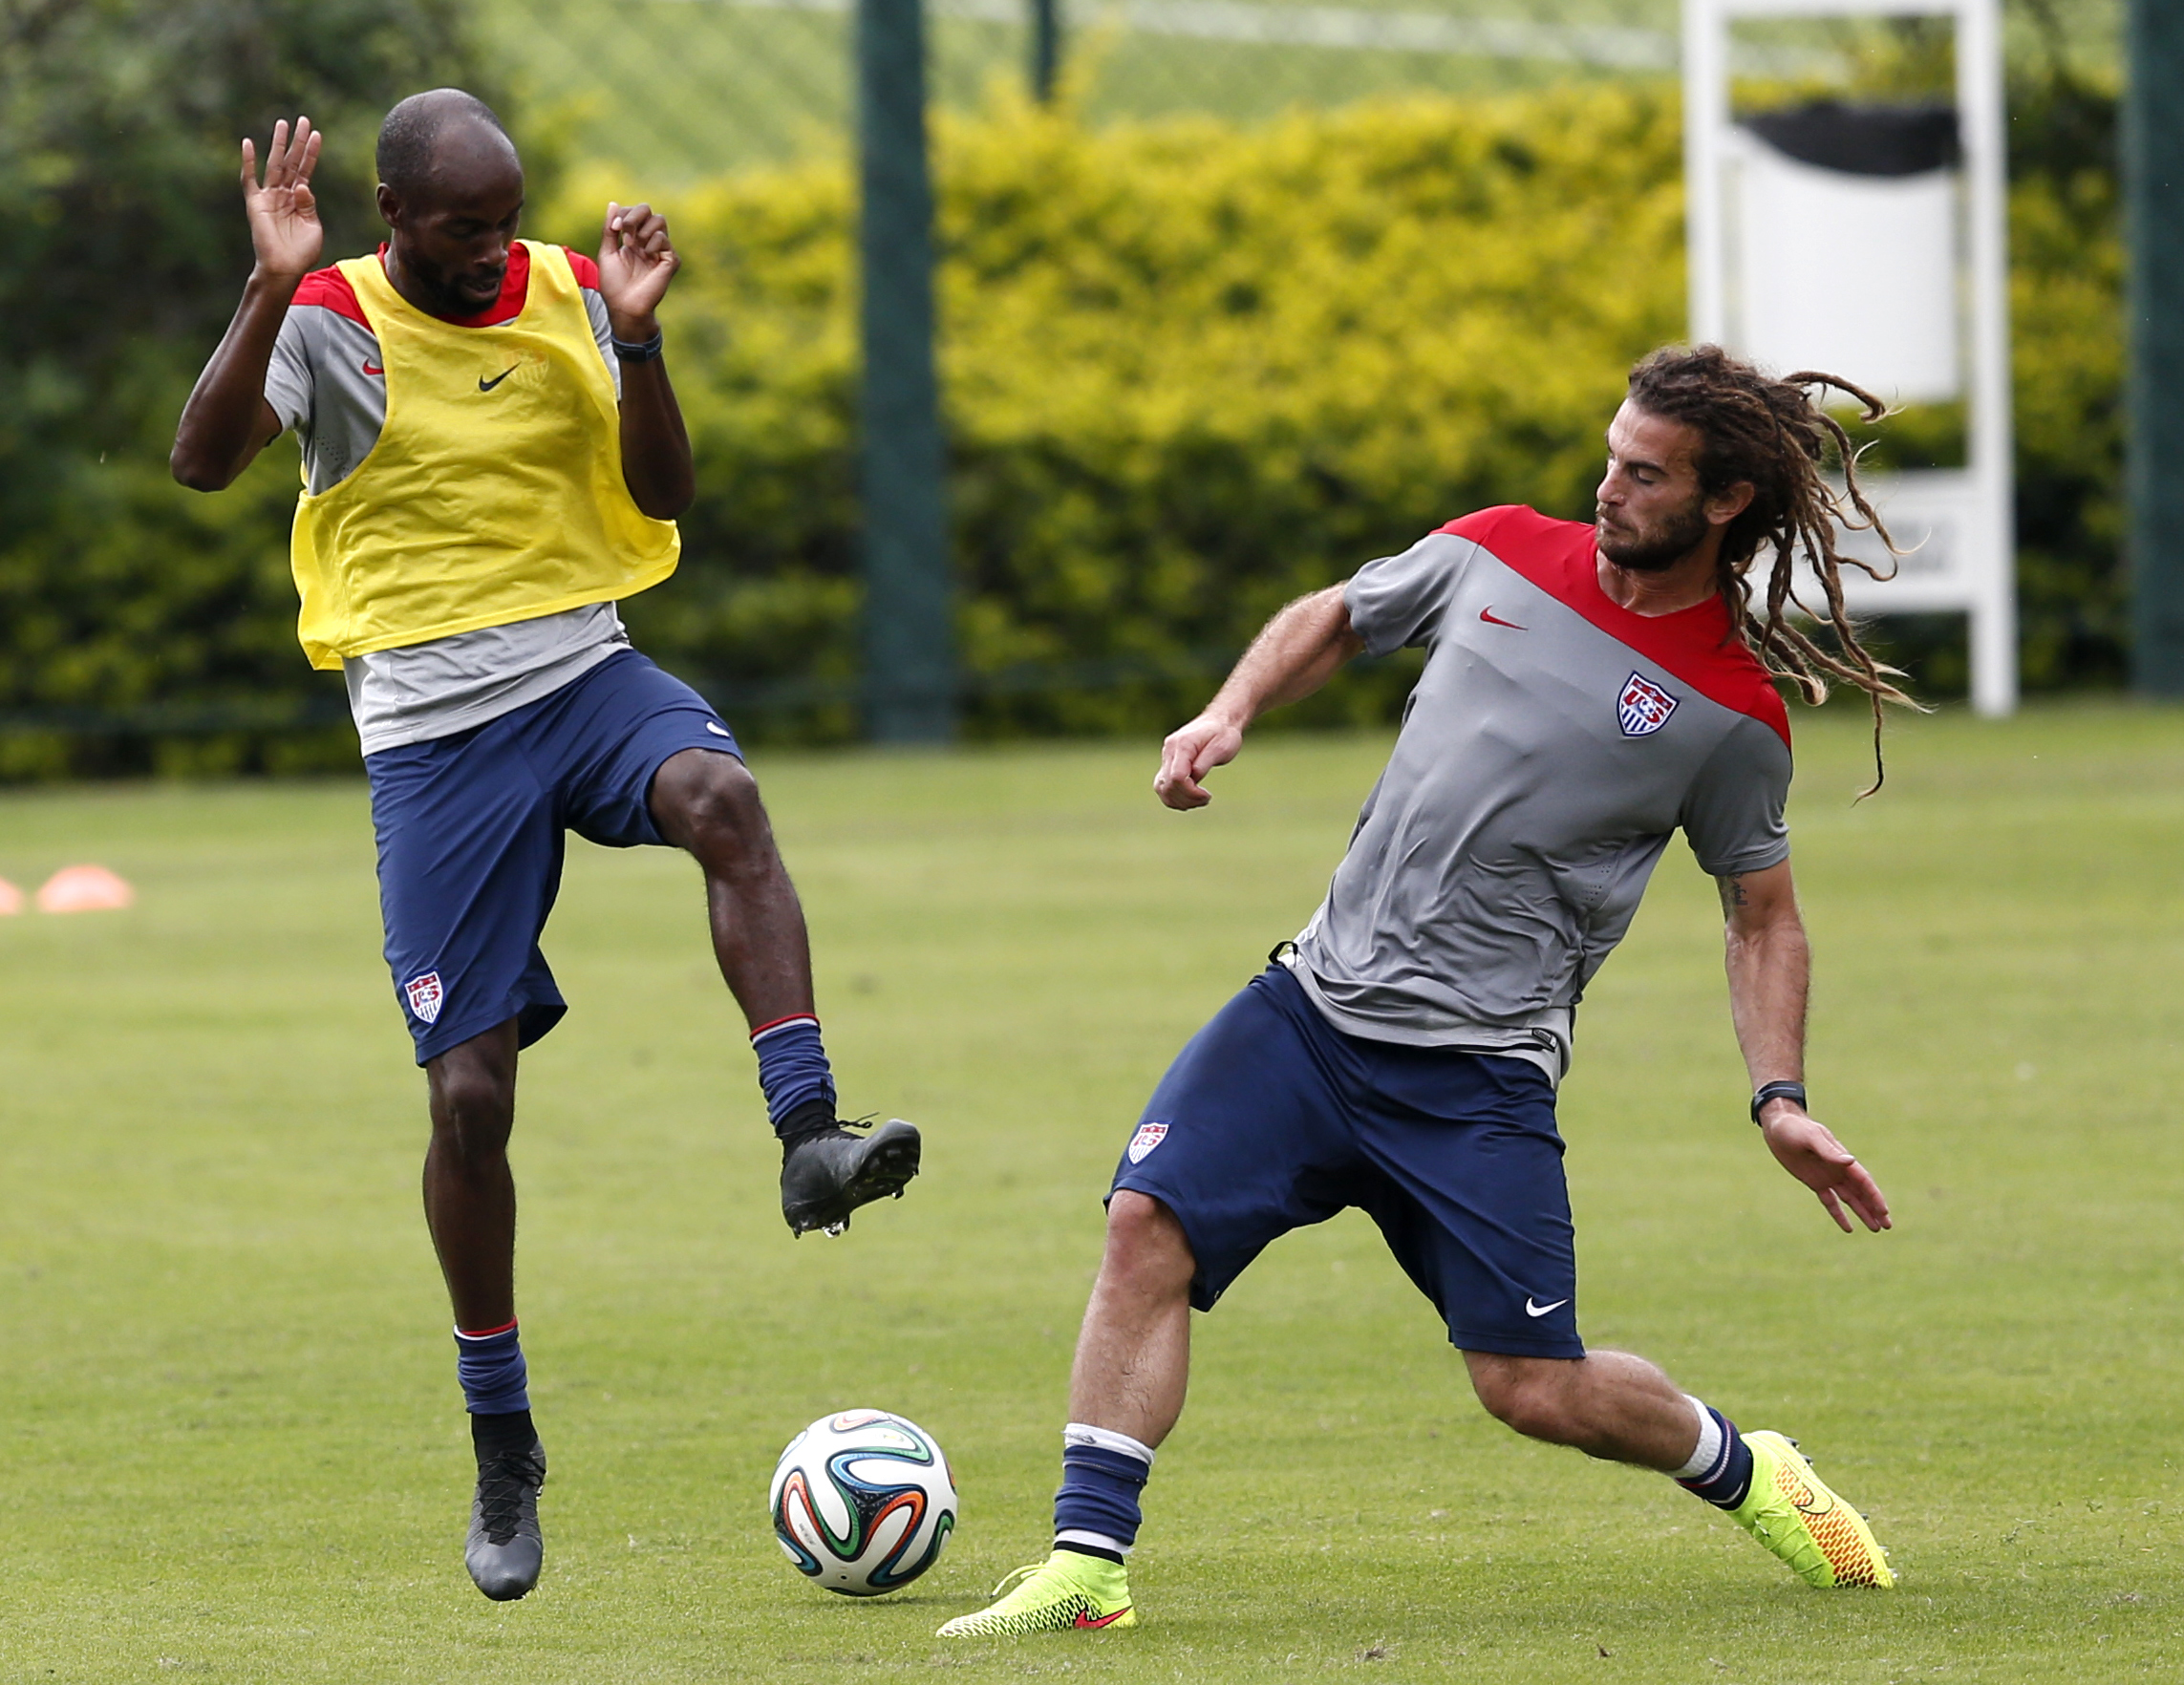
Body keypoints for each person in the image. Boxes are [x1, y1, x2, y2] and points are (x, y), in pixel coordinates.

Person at [938, 345, 1907, 1638]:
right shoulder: (1497, 550)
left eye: (1643, 473)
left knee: (1529, 1388)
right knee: (1143, 1228)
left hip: (1473, 1078)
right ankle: (1085, 1570)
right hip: (1308, 1012)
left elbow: (1762, 917)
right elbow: (1336, 613)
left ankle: (1745, 1467)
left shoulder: (1725, 715)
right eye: (1609, 458)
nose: (1607, 488)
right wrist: (1229, 712)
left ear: (1722, 502)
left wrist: (1778, 1098)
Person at [170, 91, 921, 1603]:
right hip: (434, 735)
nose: (492, 250)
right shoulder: (331, 317)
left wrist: (639, 340)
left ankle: (809, 1139)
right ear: (394, 221)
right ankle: (502, 1438)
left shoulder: (578, 292)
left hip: (582, 672)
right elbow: (199, 463)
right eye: (463, 229)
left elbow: (664, 494)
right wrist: (261, 289)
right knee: (469, 1103)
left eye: (506, 221)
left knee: (724, 800)